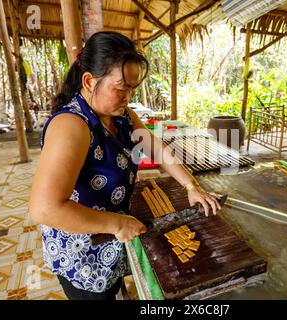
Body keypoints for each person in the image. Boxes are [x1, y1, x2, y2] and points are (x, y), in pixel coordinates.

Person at [29, 31, 222, 300]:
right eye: (121, 89)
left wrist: (191, 185)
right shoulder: (71, 125)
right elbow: (44, 208)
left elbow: (153, 145)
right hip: (83, 253)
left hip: (113, 238)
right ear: (88, 81)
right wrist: (117, 224)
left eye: (131, 88)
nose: (128, 97)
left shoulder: (120, 114)